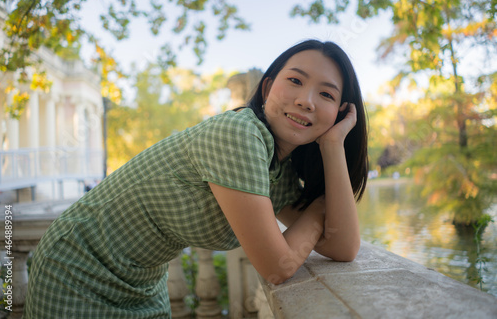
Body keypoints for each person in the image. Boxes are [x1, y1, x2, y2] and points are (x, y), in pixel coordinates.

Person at [24, 39, 368, 318]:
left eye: (326, 94)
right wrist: (319, 211)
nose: (306, 100)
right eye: (294, 80)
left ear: (340, 112)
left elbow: (343, 247)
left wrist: (333, 145)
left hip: (143, 281)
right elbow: (277, 267)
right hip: (78, 269)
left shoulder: (281, 174)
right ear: (267, 90)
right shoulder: (238, 133)